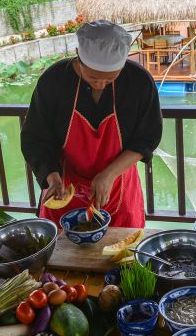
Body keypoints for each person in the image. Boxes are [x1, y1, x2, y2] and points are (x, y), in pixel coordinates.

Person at [21, 20, 162, 228]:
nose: (100, 84)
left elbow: (147, 139)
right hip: (65, 188)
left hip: (119, 185)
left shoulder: (139, 82)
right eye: (93, 77)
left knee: (120, 255)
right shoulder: (54, 81)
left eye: (110, 79)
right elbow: (35, 138)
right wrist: (52, 178)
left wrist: (109, 174)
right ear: (78, 54)